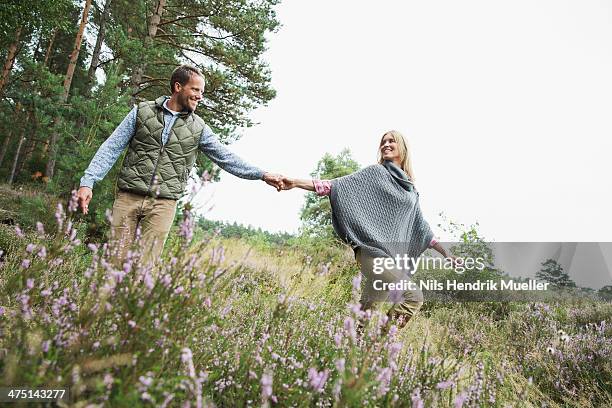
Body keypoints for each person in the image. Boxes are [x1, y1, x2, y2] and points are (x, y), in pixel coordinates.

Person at [76, 65, 284, 267]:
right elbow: (111, 147)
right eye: (195, 89)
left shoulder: (198, 127)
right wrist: (88, 181)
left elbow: (225, 157)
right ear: (178, 87)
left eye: (202, 92)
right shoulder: (142, 112)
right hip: (128, 197)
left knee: (144, 269)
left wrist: (262, 174)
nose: (200, 96)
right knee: (114, 264)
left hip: (163, 204)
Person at [280, 130, 453, 329]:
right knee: (413, 296)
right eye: (383, 142)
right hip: (371, 253)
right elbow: (335, 186)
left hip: (391, 258)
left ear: (403, 148)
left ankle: (350, 350)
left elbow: (423, 229)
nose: (386, 144)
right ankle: (379, 346)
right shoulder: (376, 173)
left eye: (391, 141)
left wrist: (446, 253)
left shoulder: (411, 190)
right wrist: (294, 183)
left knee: (364, 315)